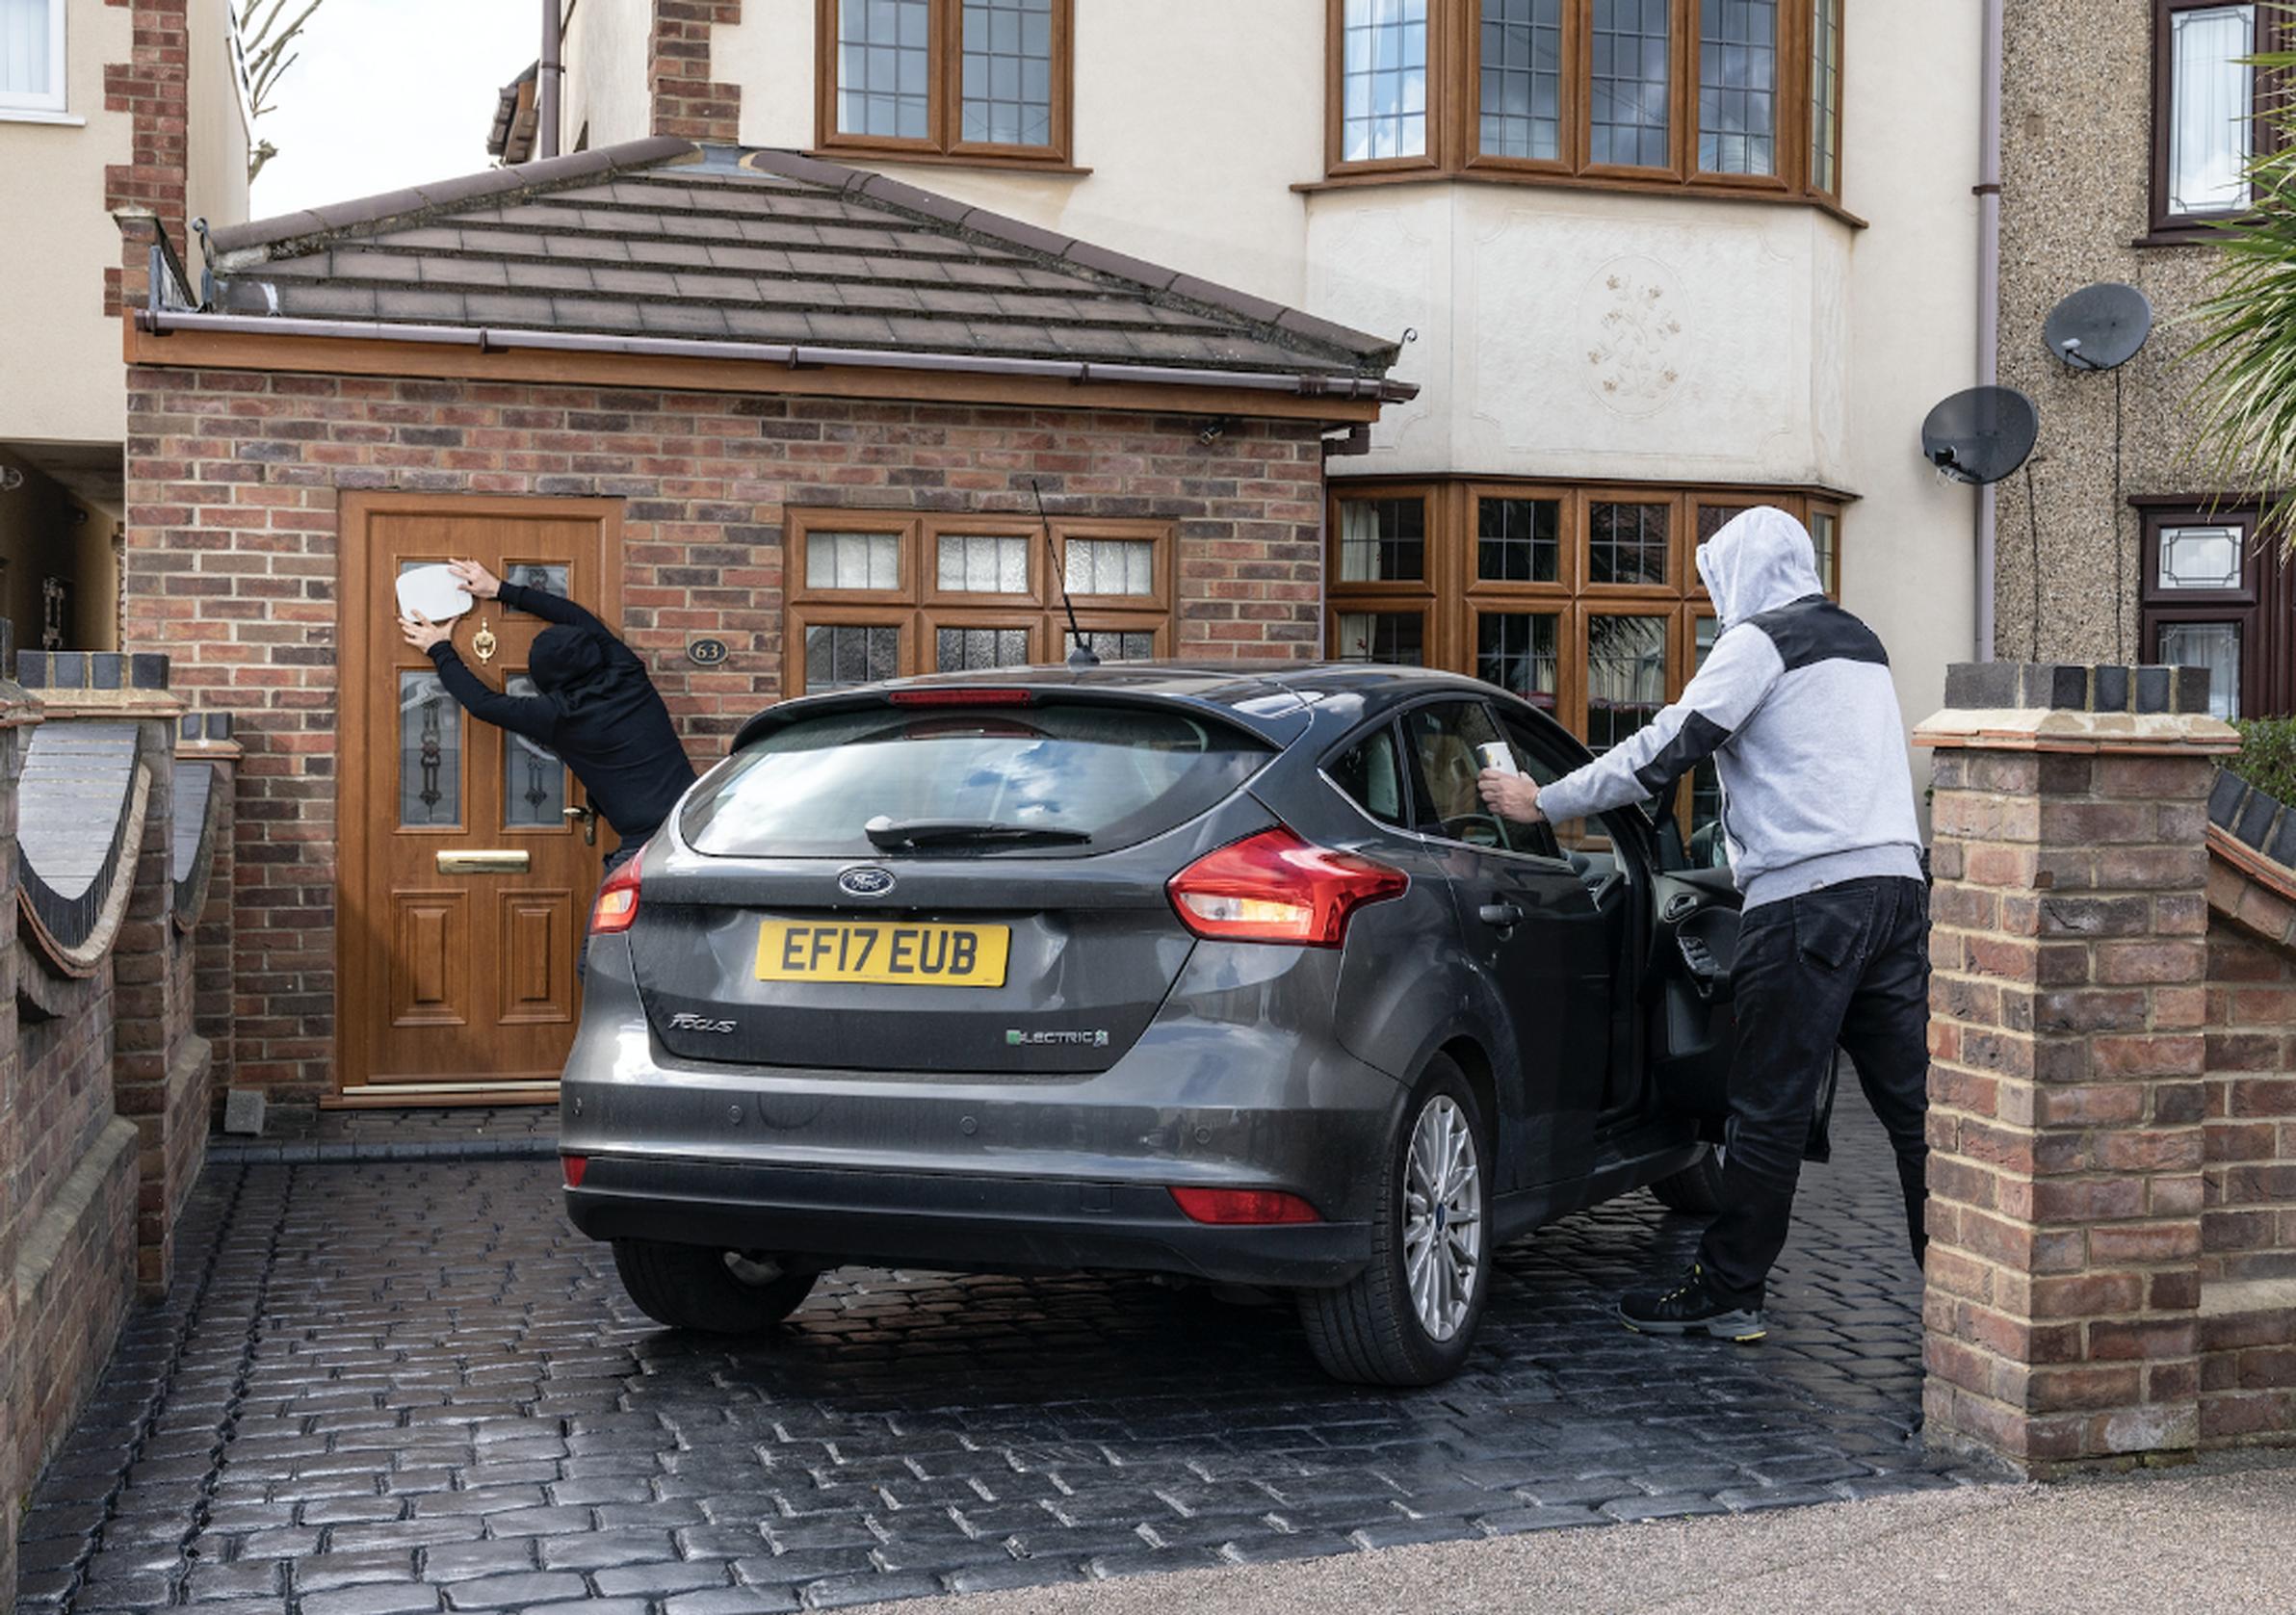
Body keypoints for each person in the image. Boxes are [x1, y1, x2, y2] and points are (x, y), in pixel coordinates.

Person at [1477, 507, 1928, 1343]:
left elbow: (1665, 748)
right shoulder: (1860, 639)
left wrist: (1543, 798)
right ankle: (1964, 1290)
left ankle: (1729, 1292)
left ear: (1740, 574)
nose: (1716, 596)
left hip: (1807, 903)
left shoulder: (1759, 642)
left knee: (1768, 1107)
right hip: (1898, 889)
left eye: (1717, 577)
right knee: (1919, 1110)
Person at [398, 560, 698, 944]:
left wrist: (440, 648)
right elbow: (575, 617)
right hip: (695, 826)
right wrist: (501, 589)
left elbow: (483, 705)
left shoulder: (559, 714)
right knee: (681, 944)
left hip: (646, 845)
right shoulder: (627, 671)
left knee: (600, 957)